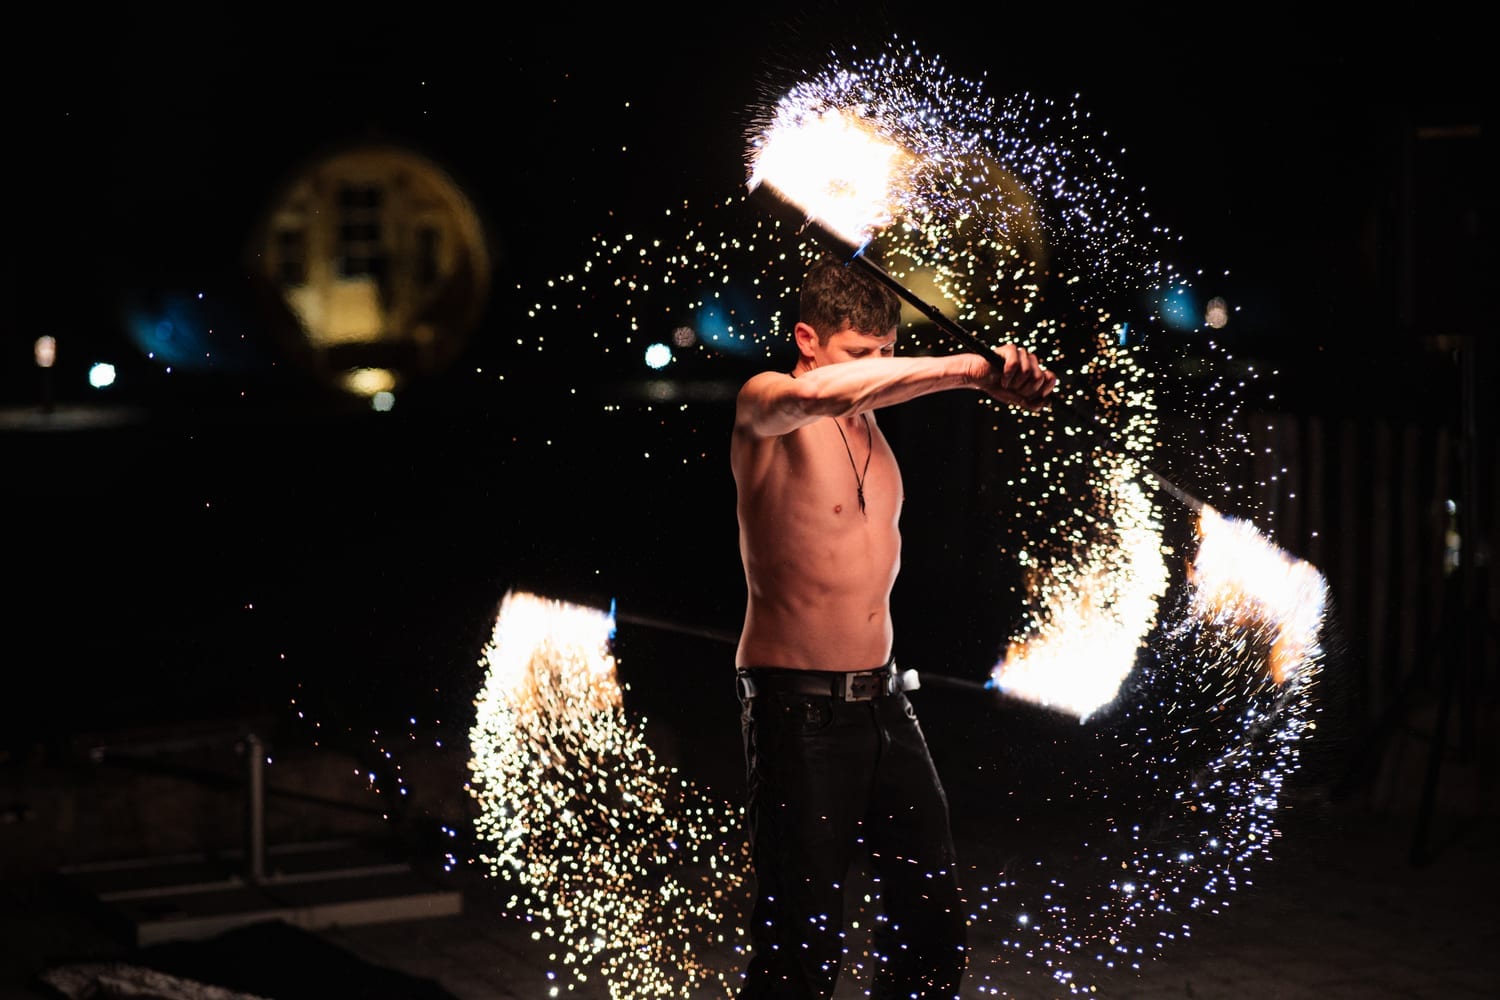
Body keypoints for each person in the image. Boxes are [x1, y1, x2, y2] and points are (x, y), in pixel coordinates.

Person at [730, 250, 1056, 999]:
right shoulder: (768, 403)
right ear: (807, 339)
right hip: (797, 710)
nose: (877, 368)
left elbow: (871, 391)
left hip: (884, 704)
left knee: (932, 929)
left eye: (887, 353)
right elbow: (825, 397)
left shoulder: (874, 431)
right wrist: (971, 369)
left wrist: (1006, 385)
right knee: (800, 951)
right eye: (858, 354)